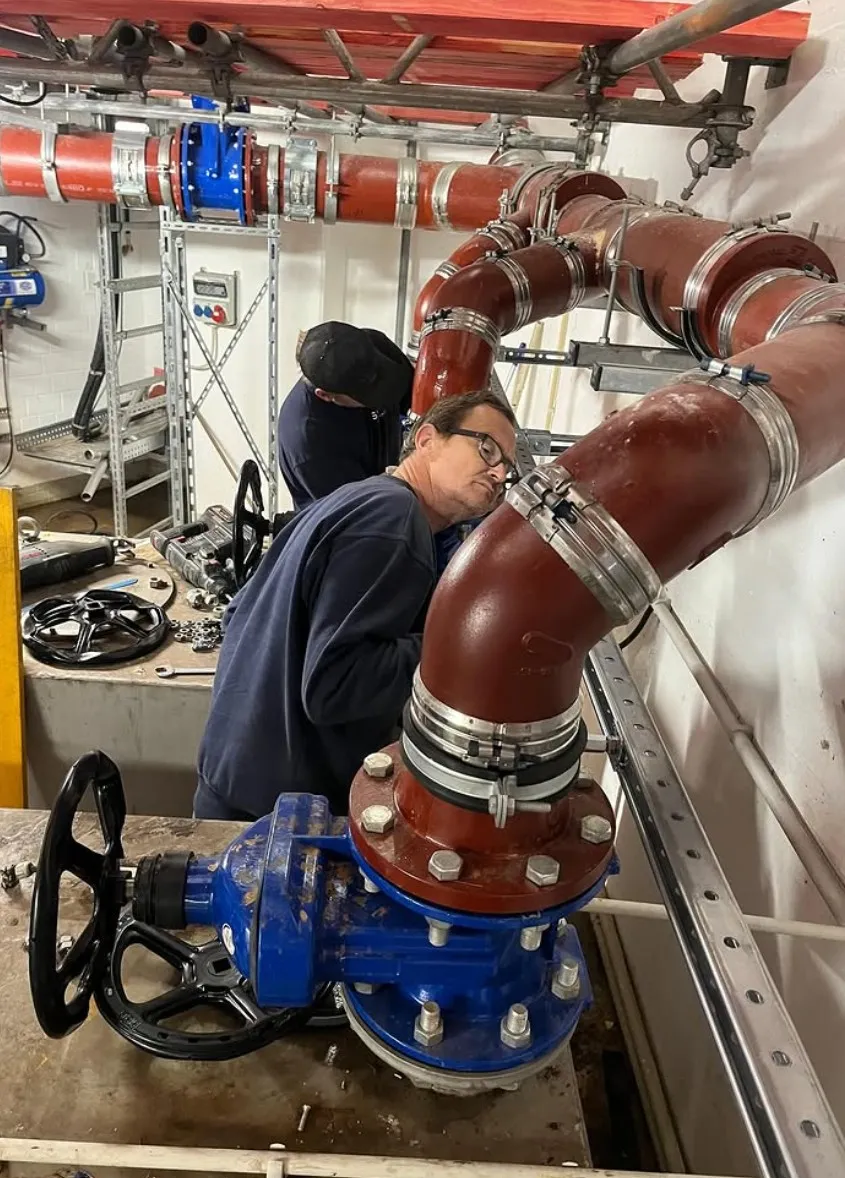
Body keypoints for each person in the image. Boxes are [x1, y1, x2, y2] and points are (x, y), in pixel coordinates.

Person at [195, 389, 518, 822]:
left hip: (234, 776)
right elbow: (335, 685)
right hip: (275, 818)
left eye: (507, 468)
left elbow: (237, 614)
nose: (498, 472)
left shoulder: (360, 498)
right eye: (486, 448)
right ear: (426, 440)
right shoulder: (395, 523)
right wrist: (458, 648)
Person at [277, 320, 413, 513]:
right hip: (354, 525)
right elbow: (363, 510)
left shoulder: (374, 345)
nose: (382, 394)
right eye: (370, 395)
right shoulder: (309, 438)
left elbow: (410, 393)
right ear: (325, 395)